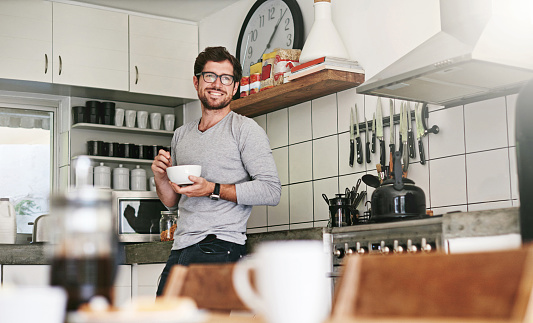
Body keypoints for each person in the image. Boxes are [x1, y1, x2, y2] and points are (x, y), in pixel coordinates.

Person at [152, 46, 281, 295]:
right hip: (180, 247)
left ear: (234, 87)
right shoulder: (181, 135)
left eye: (226, 78)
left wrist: (212, 189)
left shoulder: (245, 129)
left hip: (219, 246)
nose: (217, 84)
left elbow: (271, 190)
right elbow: (172, 201)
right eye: (210, 76)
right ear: (196, 81)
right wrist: (160, 176)